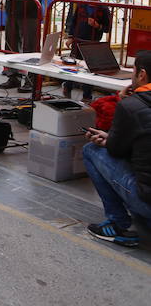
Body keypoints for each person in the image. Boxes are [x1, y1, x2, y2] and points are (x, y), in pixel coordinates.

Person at [81, 49, 151, 248]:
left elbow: (116, 151)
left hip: (147, 200)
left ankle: (120, 224)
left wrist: (124, 102)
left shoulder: (132, 106)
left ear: (142, 74)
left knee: (90, 151)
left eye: (133, 71)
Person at [63, 0, 112, 102]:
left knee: (90, 70)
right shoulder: (81, 5)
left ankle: (87, 95)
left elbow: (107, 28)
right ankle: (67, 87)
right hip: (78, 40)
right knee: (73, 66)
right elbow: (73, 22)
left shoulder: (103, 9)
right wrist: (70, 36)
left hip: (93, 43)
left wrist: (97, 25)